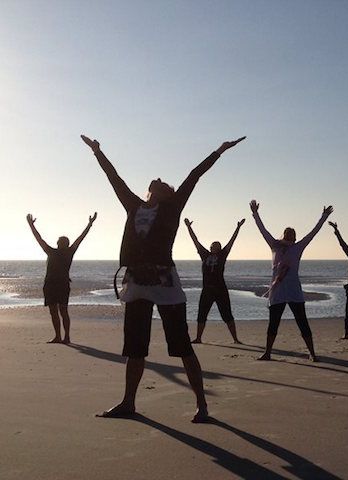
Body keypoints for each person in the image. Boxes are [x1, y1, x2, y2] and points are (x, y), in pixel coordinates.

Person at [81, 133, 244, 422]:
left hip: (165, 282)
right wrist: (97, 152)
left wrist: (219, 150)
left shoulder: (172, 207)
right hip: (136, 282)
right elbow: (114, 178)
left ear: (167, 192)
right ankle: (128, 402)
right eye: (153, 182)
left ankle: (202, 406)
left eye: (162, 182)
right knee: (135, 346)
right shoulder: (133, 205)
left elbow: (195, 175)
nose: (155, 180)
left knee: (181, 344)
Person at [250, 199, 333, 362]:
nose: (290, 236)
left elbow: (313, 232)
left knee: (302, 321)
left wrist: (323, 217)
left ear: (295, 237)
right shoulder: (274, 245)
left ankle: (312, 353)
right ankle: (267, 352)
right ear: (283, 234)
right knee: (273, 323)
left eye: (292, 234)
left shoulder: (298, 247)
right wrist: (255, 213)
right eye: (287, 233)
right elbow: (263, 230)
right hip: (277, 290)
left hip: (294, 290)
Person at [26, 212, 97, 344]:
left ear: (60, 243)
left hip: (54, 285)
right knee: (60, 311)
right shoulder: (68, 252)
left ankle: (62, 336)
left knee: (57, 311)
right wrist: (89, 224)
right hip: (59, 285)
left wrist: (31, 225)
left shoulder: (53, 252)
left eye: (60, 242)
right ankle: (62, 337)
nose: (59, 243)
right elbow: (80, 238)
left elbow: (39, 239)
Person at [184, 218, 244, 344]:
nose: (213, 247)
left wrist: (238, 227)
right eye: (212, 246)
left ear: (220, 248)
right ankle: (198, 338)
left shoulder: (222, 256)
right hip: (207, 289)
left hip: (220, 289)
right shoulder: (204, 255)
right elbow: (195, 241)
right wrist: (189, 227)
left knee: (226, 314)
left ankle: (235, 339)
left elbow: (231, 242)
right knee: (202, 314)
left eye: (216, 246)